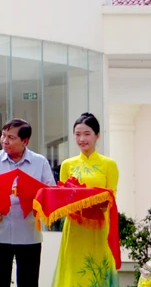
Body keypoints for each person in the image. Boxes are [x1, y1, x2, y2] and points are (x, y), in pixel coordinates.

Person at [0, 118, 55, 287]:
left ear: (24, 141)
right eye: (3, 135)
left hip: (28, 233)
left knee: (28, 282)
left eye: (11, 137)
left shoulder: (39, 162)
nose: (5, 140)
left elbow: (50, 194)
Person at [52, 113, 120, 287]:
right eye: (77, 134)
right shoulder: (67, 165)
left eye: (87, 134)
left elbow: (111, 196)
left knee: (97, 271)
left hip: (99, 227)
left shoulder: (109, 164)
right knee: (74, 270)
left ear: (97, 135)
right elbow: (62, 197)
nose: (82, 139)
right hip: (75, 227)